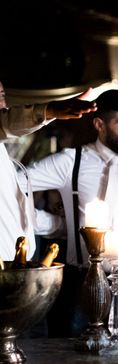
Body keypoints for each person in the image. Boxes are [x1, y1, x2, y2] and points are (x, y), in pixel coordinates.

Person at [19, 89, 118, 336]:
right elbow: (12, 183)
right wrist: (51, 224)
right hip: (79, 287)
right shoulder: (71, 161)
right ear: (99, 124)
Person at [0, 80, 96, 260]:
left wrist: (64, 226)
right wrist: (48, 111)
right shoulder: (68, 161)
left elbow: (16, 212)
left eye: (2, 96)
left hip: (17, 266)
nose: (2, 105)